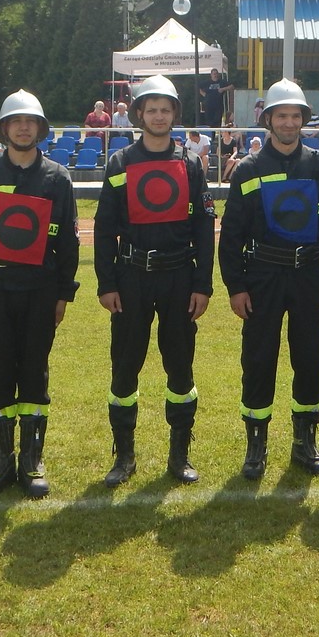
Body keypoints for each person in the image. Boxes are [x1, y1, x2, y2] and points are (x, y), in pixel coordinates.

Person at [0, 90, 79, 499]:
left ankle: (31, 461)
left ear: (40, 129)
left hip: (40, 290)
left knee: (35, 372)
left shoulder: (57, 179)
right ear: (3, 129)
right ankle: (0, 461)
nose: (24, 128)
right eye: (16, 121)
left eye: (31, 122)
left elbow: (69, 242)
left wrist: (63, 293)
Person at [218, 78, 319, 480]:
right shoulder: (249, 169)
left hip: (308, 276)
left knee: (311, 357)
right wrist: (236, 286)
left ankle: (305, 440)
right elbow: (232, 234)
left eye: (295, 116)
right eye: (281, 116)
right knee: (258, 359)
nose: (289, 123)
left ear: (304, 120)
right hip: (263, 277)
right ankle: (256, 443)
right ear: (268, 119)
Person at [95, 76, 214, 487]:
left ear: (174, 114)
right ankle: (124, 455)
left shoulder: (191, 163)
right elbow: (104, 227)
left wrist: (202, 285)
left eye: (165, 109)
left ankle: (179, 455)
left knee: (180, 366)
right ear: (139, 114)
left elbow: (204, 229)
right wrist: (106, 283)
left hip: (179, 276)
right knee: (125, 366)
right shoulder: (120, 163)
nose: (159, 116)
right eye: (151, 109)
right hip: (131, 277)